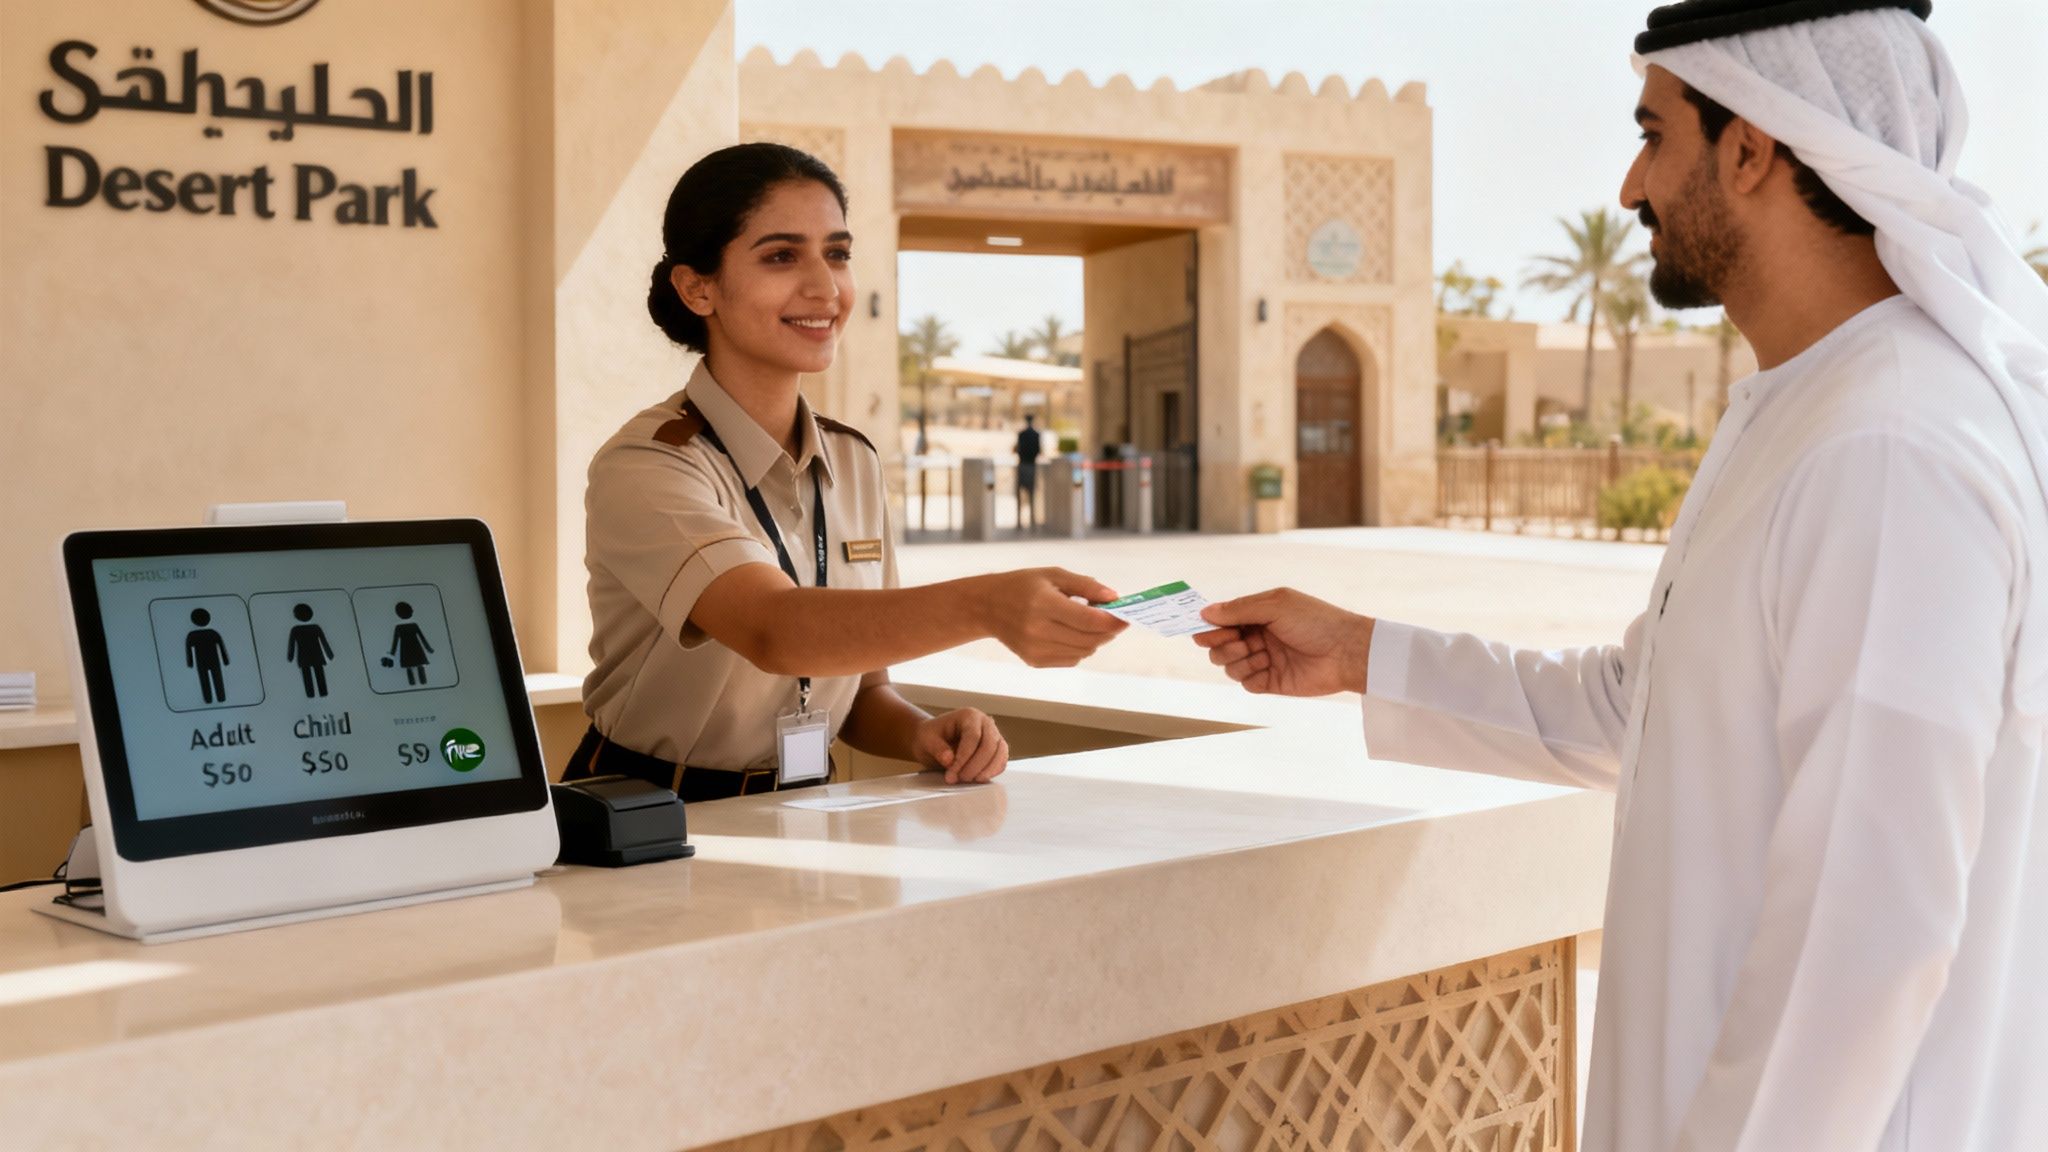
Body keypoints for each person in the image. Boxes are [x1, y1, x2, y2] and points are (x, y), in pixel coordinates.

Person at [1195, 3, 2048, 1148]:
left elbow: (1866, 930)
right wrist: (1357, 653)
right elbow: (1636, 710)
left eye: (1652, 134)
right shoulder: (1806, 411)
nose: (1627, 185)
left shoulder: (1886, 448)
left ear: (1748, 149)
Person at [566, 143, 1128, 802]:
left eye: (836, 253)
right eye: (782, 256)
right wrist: (987, 605)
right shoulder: (648, 465)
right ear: (698, 288)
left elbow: (861, 686)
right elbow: (775, 632)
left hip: (806, 809)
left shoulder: (852, 460)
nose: (825, 288)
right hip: (648, 814)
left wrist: (921, 734)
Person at [1014, 414, 1043, 531]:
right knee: (1031, 494)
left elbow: (1017, 449)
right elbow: (1039, 450)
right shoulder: (1036, 435)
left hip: (1022, 465)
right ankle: (1032, 520)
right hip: (1032, 466)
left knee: (1020, 494)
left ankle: (1019, 521)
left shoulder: (1021, 434)